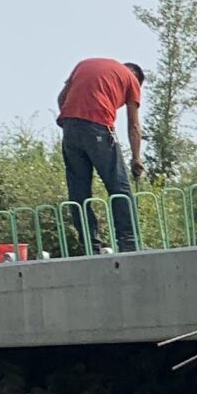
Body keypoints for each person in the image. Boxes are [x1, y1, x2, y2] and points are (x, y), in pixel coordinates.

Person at [56, 57, 145, 252]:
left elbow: (61, 99)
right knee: (120, 188)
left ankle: (90, 247)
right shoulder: (132, 80)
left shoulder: (84, 64)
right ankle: (129, 245)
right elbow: (134, 126)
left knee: (79, 193)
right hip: (98, 127)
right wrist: (136, 158)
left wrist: (73, 125)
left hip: (70, 128)